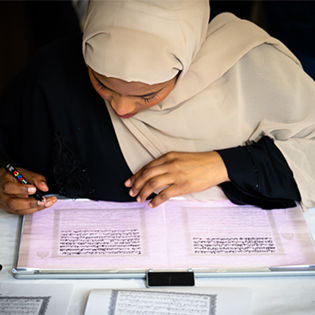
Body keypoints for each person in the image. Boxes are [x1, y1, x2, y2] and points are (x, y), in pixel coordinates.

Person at [0, 0, 314, 215]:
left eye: (148, 95)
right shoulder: (51, 76)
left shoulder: (251, 68)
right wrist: (5, 183)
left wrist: (224, 165)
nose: (122, 109)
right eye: (103, 84)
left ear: (188, 60)